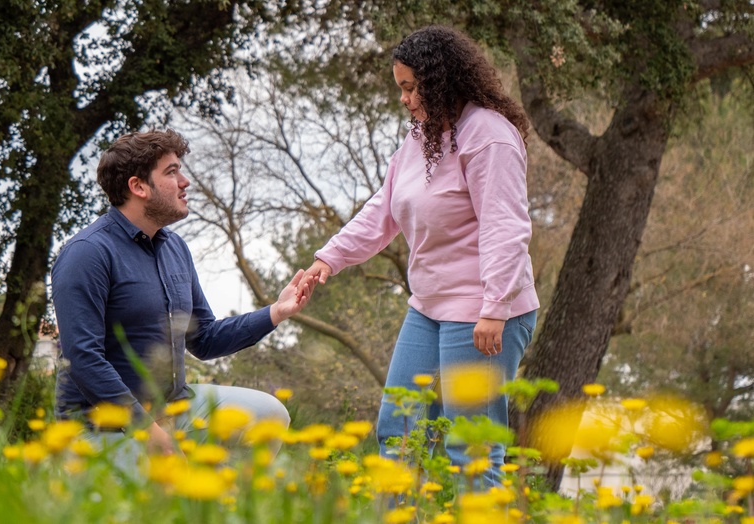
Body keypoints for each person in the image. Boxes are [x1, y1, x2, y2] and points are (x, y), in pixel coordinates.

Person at [298, 25, 539, 487]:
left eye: (410, 87)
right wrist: (328, 258)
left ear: (440, 79)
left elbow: (505, 227)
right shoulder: (422, 139)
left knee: (468, 450)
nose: (405, 99)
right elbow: (383, 210)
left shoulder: (488, 136)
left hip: (484, 314)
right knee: (399, 435)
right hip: (428, 308)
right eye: (401, 89)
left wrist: (494, 308)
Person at [52, 129, 314, 468]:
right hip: (101, 425)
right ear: (139, 186)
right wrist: (150, 431)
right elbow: (84, 359)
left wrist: (275, 313)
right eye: (172, 172)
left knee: (267, 413)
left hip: (174, 407)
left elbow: (203, 339)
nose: (185, 181)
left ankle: (224, 502)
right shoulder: (86, 254)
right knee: (159, 497)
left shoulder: (175, 248)